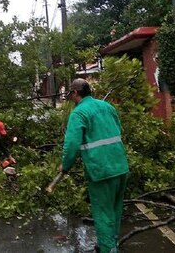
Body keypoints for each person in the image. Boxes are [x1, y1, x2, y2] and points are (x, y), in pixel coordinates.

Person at [59, 78, 129, 253]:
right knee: (115, 210)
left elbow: (71, 145)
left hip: (101, 171)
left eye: (71, 94)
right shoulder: (108, 107)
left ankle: (107, 249)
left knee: (103, 214)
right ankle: (112, 244)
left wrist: (65, 166)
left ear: (75, 93)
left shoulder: (79, 113)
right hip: (120, 166)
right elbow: (119, 131)